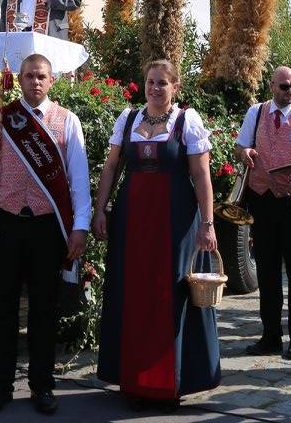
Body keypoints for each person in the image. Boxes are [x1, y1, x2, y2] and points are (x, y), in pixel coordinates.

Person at [93, 59, 220, 409]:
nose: (155, 88)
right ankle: (134, 381)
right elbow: (111, 167)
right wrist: (100, 209)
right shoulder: (128, 119)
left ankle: (168, 383)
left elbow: (201, 176)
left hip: (176, 221)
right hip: (132, 218)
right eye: (150, 82)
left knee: (171, 295)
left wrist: (207, 224)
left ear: (175, 87)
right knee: (132, 292)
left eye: (162, 83)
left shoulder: (186, 121)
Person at [0, 53, 91, 416]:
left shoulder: (67, 121)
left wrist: (80, 227)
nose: (35, 82)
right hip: (6, 224)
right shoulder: (2, 117)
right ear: (19, 80)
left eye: (41, 76)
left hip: (47, 228)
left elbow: (79, 180)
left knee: (44, 310)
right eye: (29, 76)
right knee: (2, 310)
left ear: (52, 81)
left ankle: (42, 386)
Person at [235, 66, 291, 360]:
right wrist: (244, 153)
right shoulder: (256, 113)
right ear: (272, 85)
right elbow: (240, 146)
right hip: (262, 198)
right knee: (267, 270)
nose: (290, 92)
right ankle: (270, 335)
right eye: (284, 86)